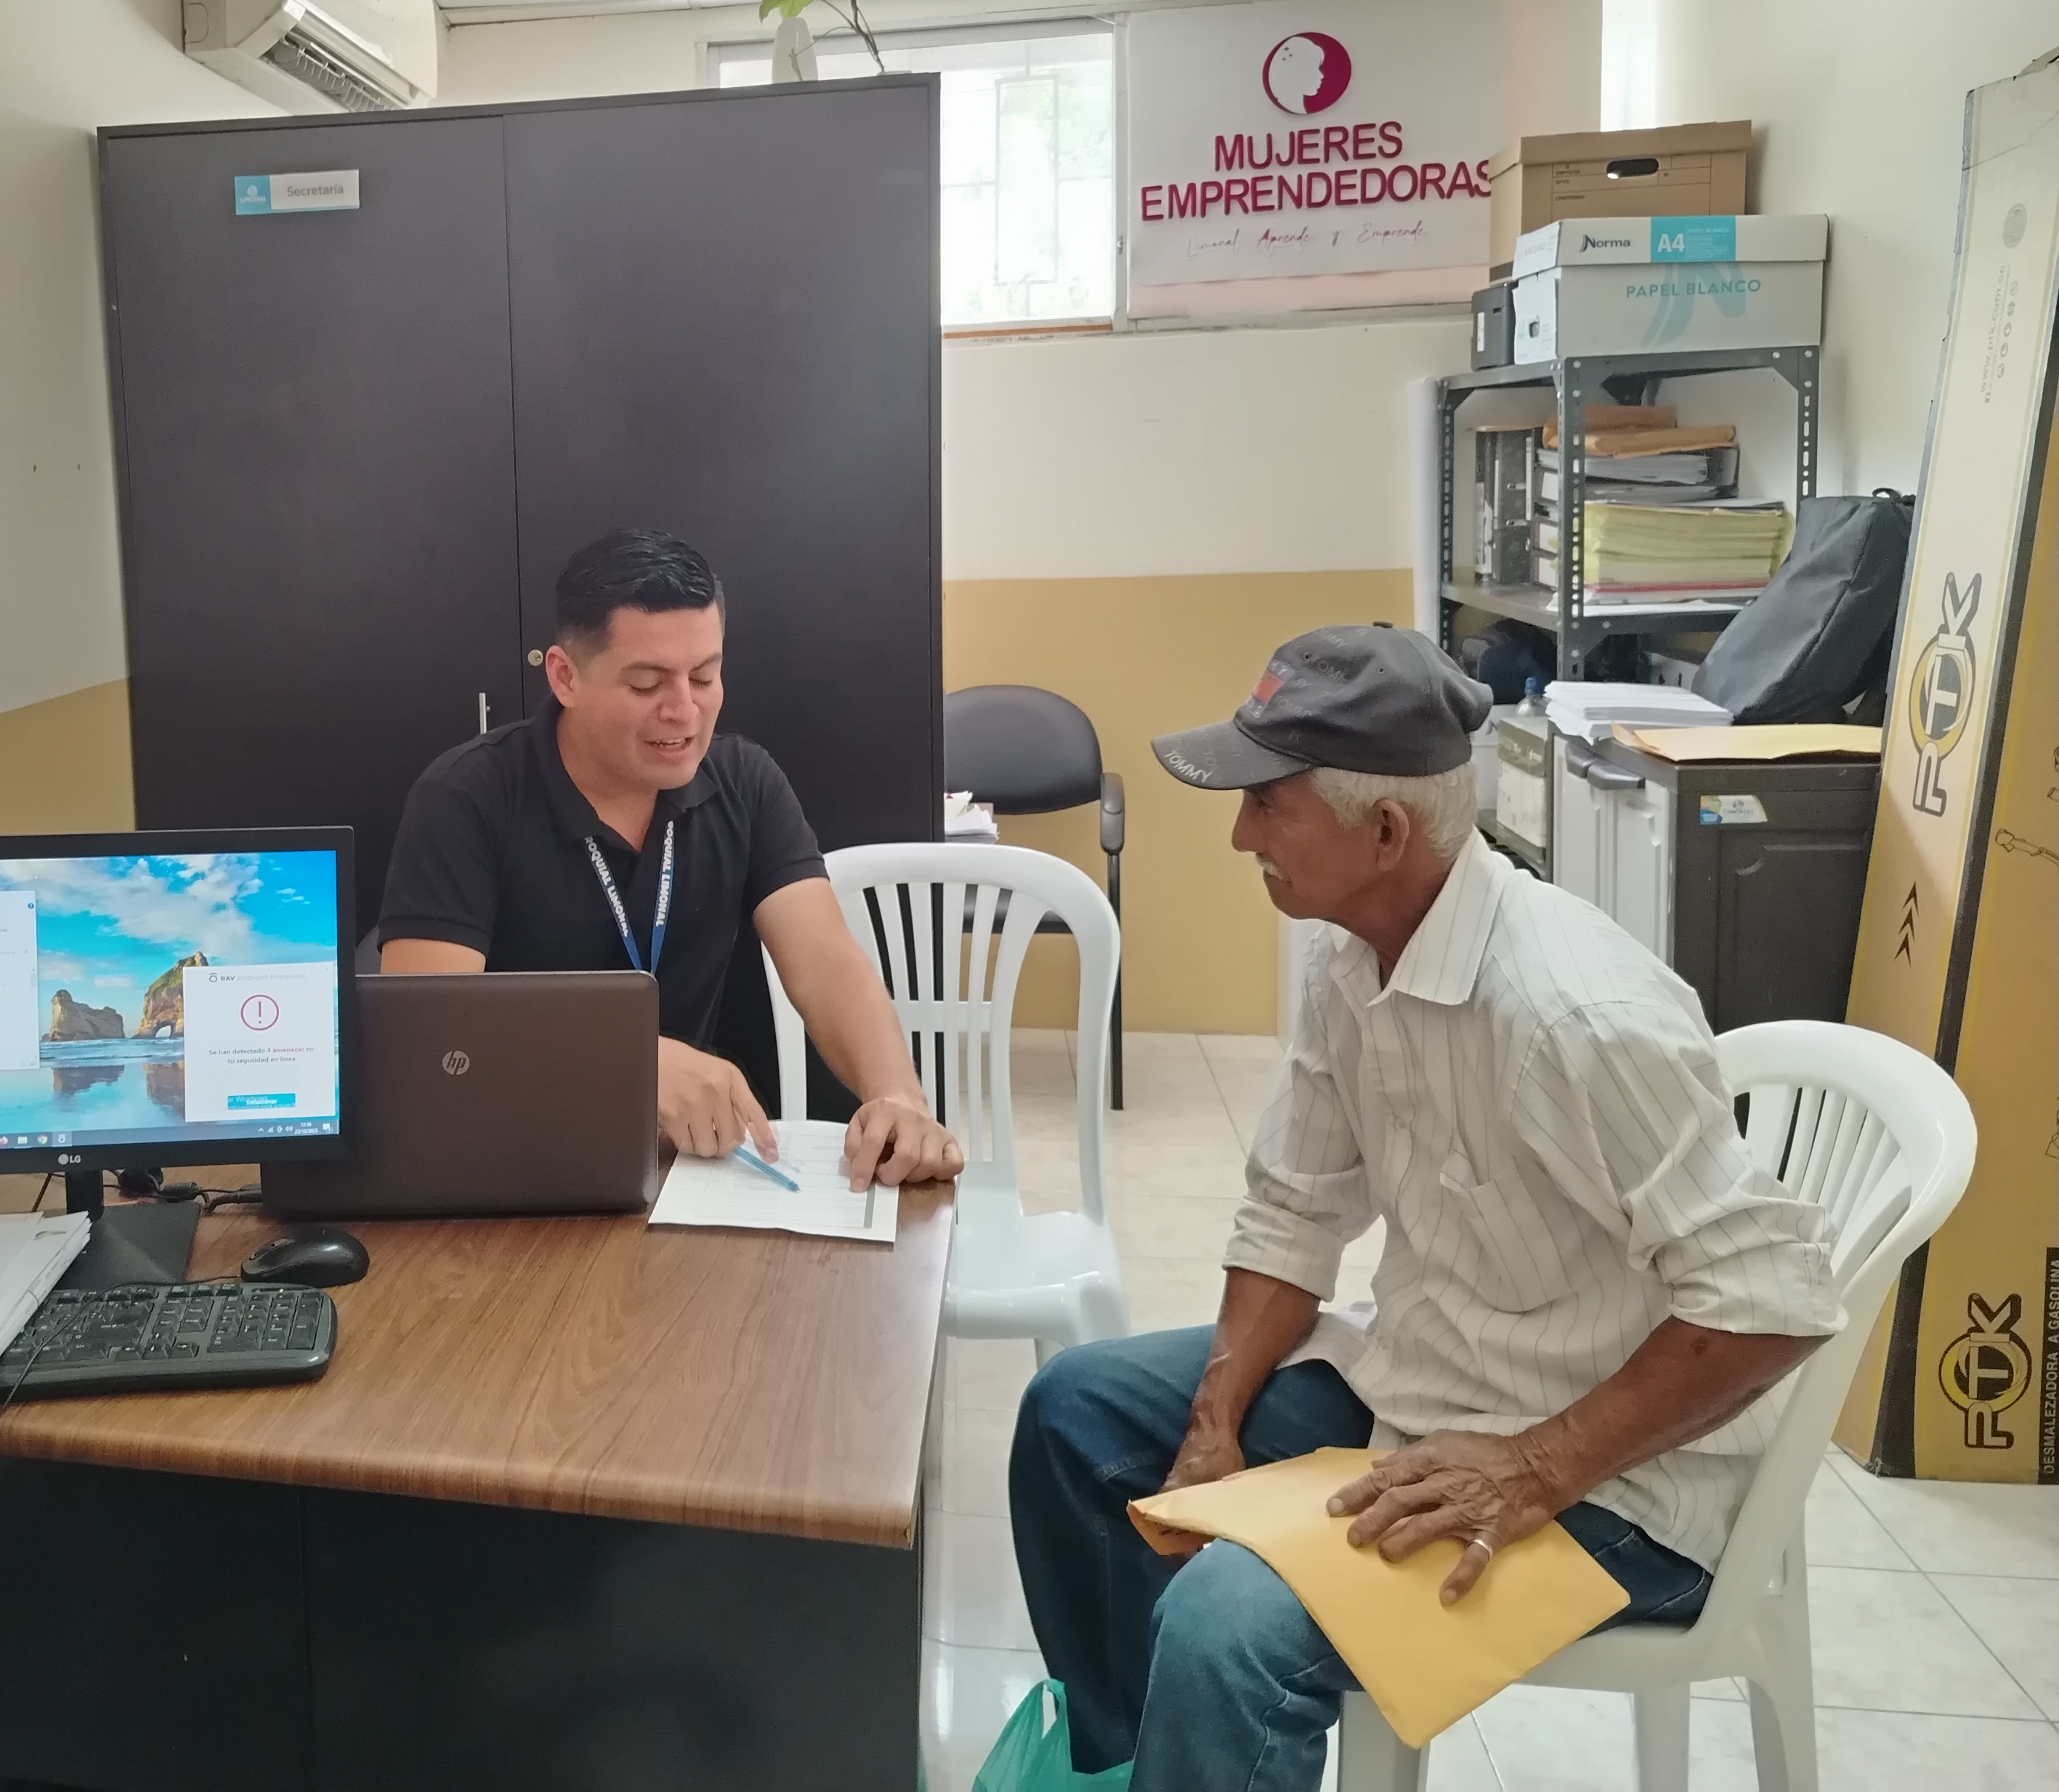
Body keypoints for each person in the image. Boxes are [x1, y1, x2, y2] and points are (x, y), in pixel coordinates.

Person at [1008, 624, 1841, 1791]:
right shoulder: (1349, 954)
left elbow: (1774, 1303)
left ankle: (1198, 1743)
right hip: (1427, 1387)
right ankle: (1135, 1765)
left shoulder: (1573, 1017)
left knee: (1228, 1623)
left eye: (1269, 805)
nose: (1241, 835)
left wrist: (1535, 1467)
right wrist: (1213, 1422)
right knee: (1076, 1415)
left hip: (1624, 1485)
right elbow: (1296, 1208)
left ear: (1386, 833)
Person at [378, 526, 962, 1191]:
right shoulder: (467, 797)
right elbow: (431, 1028)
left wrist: (897, 1095)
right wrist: (628, 1061)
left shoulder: (745, 783)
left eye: (705, 676)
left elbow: (826, 961)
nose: (684, 711)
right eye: (647, 684)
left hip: (681, 1170)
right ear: (566, 677)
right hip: (513, 1164)